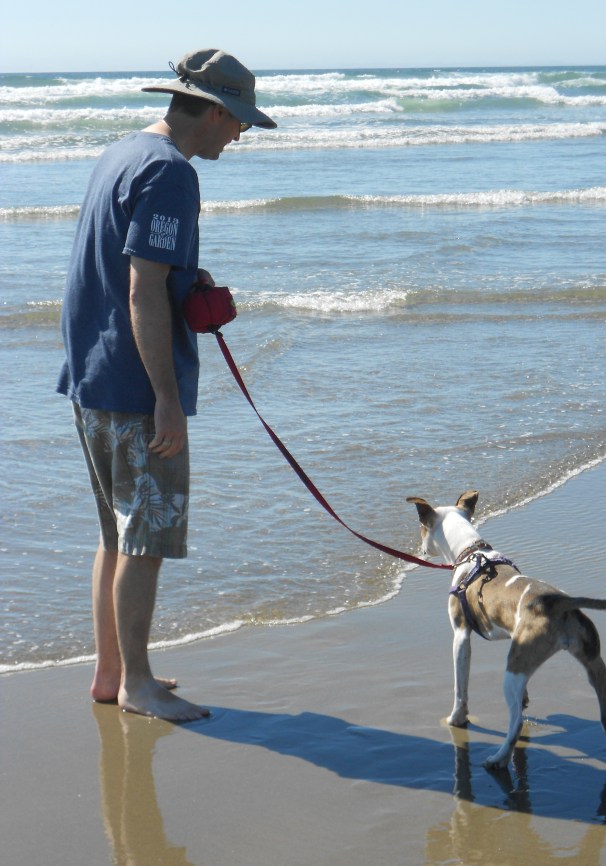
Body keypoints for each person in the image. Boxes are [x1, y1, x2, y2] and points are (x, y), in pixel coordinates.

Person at [57, 49, 276, 721]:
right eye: (239, 122)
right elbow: (142, 289)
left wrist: (189, 282)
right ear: (213, 112)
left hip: (92, 373)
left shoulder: (122, 153)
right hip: (135, 386)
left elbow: (131, 272)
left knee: (117, 534)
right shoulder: (171, 172)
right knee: (146, 539)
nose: (239, 135)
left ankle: (112, 672)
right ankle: (139, 685)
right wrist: (168, 402)